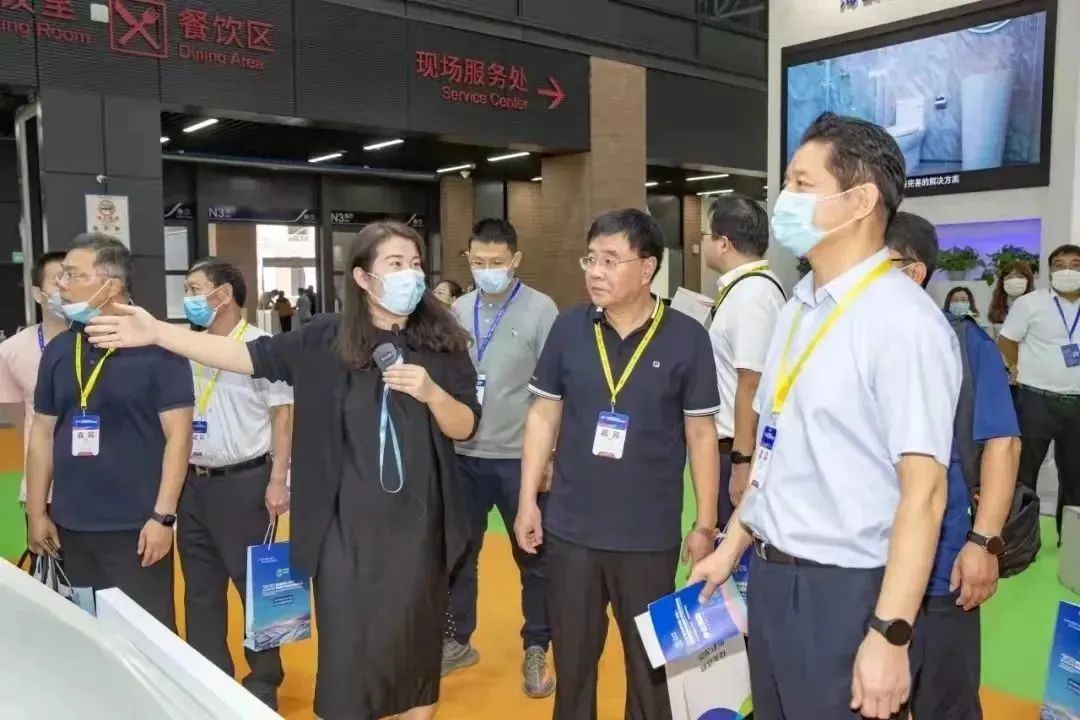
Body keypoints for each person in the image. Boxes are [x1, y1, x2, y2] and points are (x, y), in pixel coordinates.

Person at [85, 221, 481, 720]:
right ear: (363, 277)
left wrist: (431, 392)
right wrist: (159, 332)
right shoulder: (325, 339)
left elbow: (465, 425)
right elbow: (244, 355)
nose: (411, 274)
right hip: (343, 534)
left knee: (415, 653)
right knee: (349, 661)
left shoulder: (443, 343)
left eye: (416, 263)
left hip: (419, 532)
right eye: (396, 264)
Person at [691, 113, 962, 720]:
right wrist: (733, 546)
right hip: (771, 578)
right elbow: (774, 450)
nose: (783, 199)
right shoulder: (799, 308)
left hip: (847, 593)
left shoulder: (904, 323)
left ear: (860, 200)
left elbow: (925, 495)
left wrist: (891, 634)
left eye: (802, 183)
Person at [514, 208, 720, 720]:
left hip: (648, 536)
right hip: (572, 530)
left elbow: (701, 434)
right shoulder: (568, 328)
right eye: (591, 259)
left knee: (651, 673)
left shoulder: (687, 337)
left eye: (611, 260)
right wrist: (527, 501)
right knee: (575, 665)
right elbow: (543, 415)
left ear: (647, 268)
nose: (596, 272)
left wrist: (705, 523)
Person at [887, 211, 1020, 720]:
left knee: (945, 704)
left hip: (943, 570)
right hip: (863, 569)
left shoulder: (963, 344)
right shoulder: (850, 341)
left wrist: (984, 542)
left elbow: (1002, 445)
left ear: (913, 271)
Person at [25, 234, 194, 629]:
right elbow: (42, 434)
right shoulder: (60, 350)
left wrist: (163, 518)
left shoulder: (160, 349)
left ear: (111, 286)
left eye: (72, 275)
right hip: (69, 526)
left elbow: (179, 438)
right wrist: (37, 512)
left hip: (136, 528)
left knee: (146, 638)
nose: (61, 284)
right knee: (86, 635)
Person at [444, 219, 559, 697]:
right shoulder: (457, 310)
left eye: (496, 262)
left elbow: (556, 390)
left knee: (533, 557)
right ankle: (456, 640)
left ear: (515, 260)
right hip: (463, 456)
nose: (486, 269)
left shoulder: (541, 310)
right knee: (458, 553)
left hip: (520, 459)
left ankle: (536, 647)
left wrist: (549, 457)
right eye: (478, 261)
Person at [179, 259, 294, 710]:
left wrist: (279, 479)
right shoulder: (189, 346)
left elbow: (283, 415)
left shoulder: (262, 347)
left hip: (246, 482)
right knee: (200, 590)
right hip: (193, 483)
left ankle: (264, 681)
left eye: (195, 288)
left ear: (223, 294)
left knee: (255, 587)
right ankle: (210, 675)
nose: (188, 297)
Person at [702, 194, 785, 529]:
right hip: (730, 448)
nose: (703, 244)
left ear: (723, 243)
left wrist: (742, 460)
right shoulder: (744, 290)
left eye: (705, 236)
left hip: (736, 451)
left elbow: (751, 383)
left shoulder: (752, 296)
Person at [998, 244, 1080, 538]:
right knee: (1025, 474)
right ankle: (1021, 542)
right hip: (1035, 400)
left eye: (1075, 265)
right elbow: (1006, 341)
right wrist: (1021, 369)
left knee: (1076, 478)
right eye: (1059, 265)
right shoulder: (1029, 303)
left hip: (1078, 404)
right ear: (1050, 271)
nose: (1067, 271)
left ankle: (1071, 544)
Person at [0, 251, 67, 510]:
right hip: (43, 489)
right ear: (38, 294)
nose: (65, 286)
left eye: (72, 277)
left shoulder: (104, 340)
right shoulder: (11, 351)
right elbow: (19, 417)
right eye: (57, 279)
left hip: (101, 485)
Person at [988, 261, 1035, 338]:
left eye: (1020, 277)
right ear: (1003, 281)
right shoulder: (996, 308)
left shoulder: (1036, 306)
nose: (1015, 280)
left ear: (1028, 281)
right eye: (1009, 277)